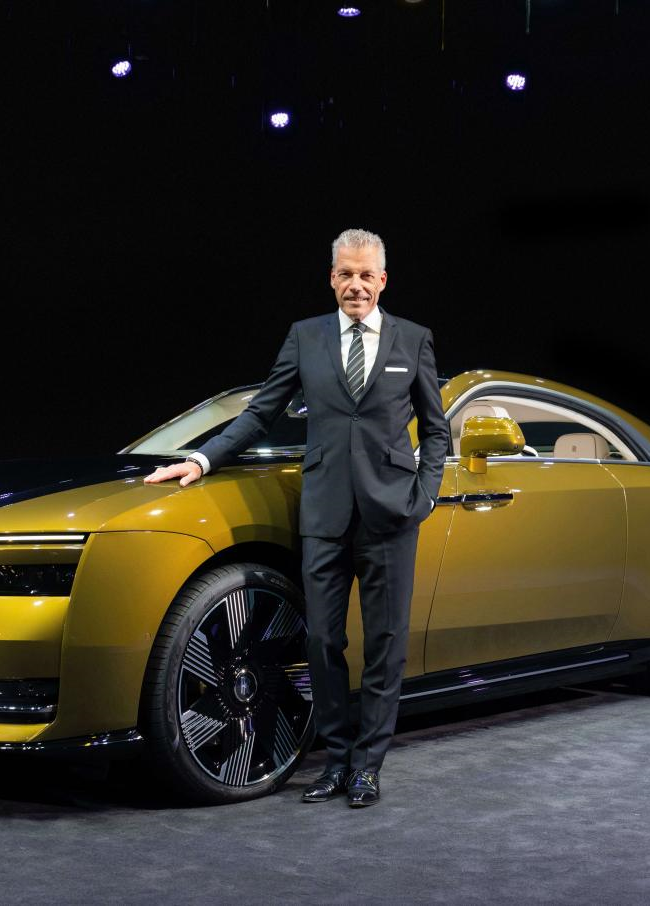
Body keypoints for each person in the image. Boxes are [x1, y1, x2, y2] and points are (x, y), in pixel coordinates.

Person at [145, 228, 450, 807]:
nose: (356, 285)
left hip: (391, 515)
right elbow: (260, 413)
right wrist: (202, 459)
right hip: (324, 513)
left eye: (366, 275)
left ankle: (368, 766)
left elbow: (437, 430)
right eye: (346, 274)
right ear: (331, 278)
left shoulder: (413, 340)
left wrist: (425, 495)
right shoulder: (305, 337)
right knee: (321, 641)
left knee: (386, 643)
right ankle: (334, 762)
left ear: (383, 280)